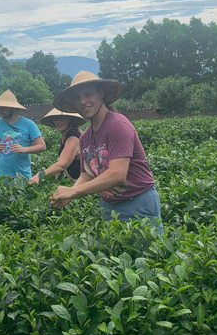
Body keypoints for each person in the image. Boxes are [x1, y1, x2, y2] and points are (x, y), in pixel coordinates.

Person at [49, 71, 163, 233]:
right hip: (109, 205)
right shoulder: (85, 138)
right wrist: (70, 195)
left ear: (101, 93)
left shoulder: (117, 125)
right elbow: (87, 174)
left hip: (138, 202)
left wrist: (74, 190)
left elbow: (117, 174)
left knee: (149, 256)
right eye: (77, 97)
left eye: (88, 94)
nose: (83, 101)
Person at [0, 90, 46, 178]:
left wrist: (24, 149)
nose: (0, 111)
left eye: (4, 108)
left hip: (22, 176)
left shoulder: (29, 124)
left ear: (13, 108)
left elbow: (42, 146)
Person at [28, 108, 86, 184]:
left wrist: (39, 176)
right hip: (76, 183)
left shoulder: (73, 138)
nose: (58, 122)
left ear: (70, 119)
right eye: (55, 119)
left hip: (84, 185)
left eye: (62, 118)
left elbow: (62, 165)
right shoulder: (65, 136)